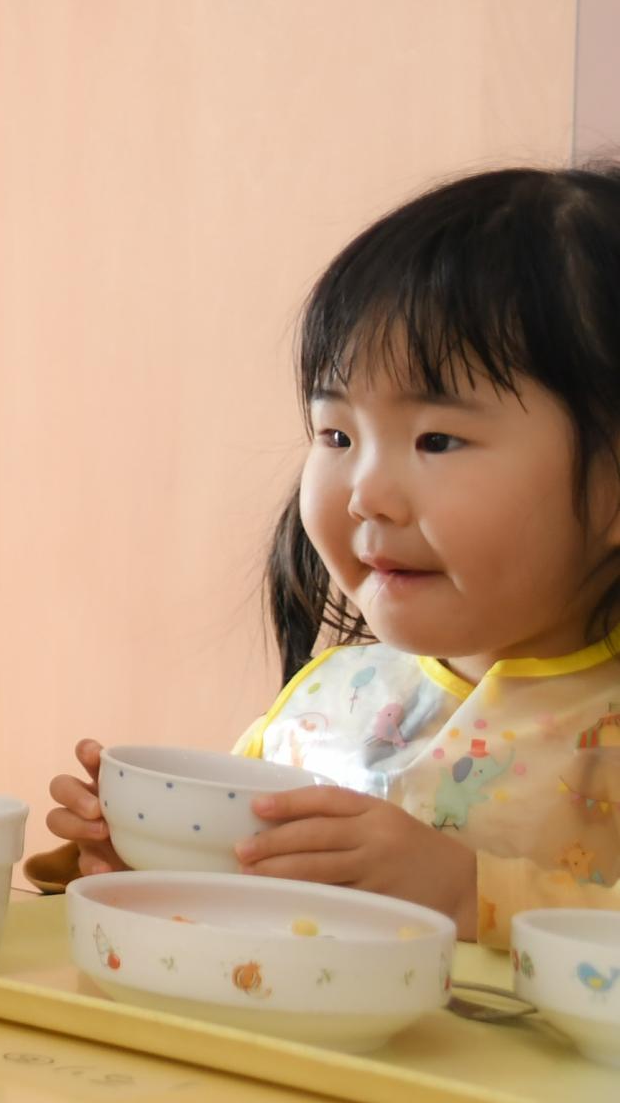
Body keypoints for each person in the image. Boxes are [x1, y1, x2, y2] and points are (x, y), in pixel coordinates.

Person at [47, 166, 620, 947]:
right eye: (337, 435)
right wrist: (150, 862)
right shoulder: (333, 700)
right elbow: (246, 901)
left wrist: (469, 892)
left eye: (438, 439)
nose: (366, 494)